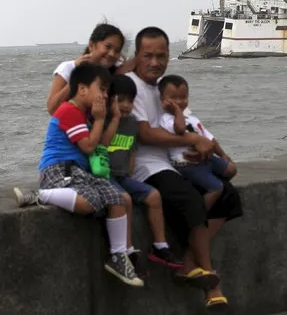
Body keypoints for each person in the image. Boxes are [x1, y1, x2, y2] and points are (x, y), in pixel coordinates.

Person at [125, 26, 243, 311]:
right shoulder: (132, 86)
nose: (155, 62)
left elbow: (192, 123)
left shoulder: (164, 86)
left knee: (228, 196)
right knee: (190, 200)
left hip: (173, 161)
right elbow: (146, 134)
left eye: (161, 56)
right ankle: (212, 287)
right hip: (146, 165)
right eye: (148, 56)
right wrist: (192, 140)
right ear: (137, 56)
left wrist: (212, 151)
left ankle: (187, 263)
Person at [13, 63, 144, 287]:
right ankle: (38, 195)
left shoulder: (83, 114)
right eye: (101, 89)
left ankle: (119, 256)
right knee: (90, 202)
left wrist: (107, 118)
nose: (104, 95)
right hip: (58, 169)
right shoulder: (69, 111)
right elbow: (89, 147)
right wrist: (101, 119)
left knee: (118, 198)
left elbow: (101, 143)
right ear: (82, 89)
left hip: (77, 171)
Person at [99, 74, 183, 277]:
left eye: (130, 100)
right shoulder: (103, 120)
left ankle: (160, 245)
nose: (126, 106)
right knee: (124, 199)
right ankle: (127, 252)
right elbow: (102, 144)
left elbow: (131, 150)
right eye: (120, 100)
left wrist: (130, 169)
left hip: (123, 176)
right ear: (110, 99)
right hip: (105, 176)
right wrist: (115, 118)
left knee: (153, 196)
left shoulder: (133, 124)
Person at [157, 74, 237, 208]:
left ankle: (208, 181)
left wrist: (223, 155)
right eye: (173, 98)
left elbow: (209, 138)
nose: (179, 102)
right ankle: (201, 213)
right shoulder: (166, 119)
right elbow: (180, 129)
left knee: (231, 169)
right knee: (216, 188)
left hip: (206, 159)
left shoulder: (192, 119)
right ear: (162, 99)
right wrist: (176, 111)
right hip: (187, 164)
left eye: (183, 98)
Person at [46, 22, 135, 115]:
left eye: (117, 51)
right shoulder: (69, 68)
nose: (112, 53)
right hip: (71, 127)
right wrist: (78, 74)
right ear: (91, 45)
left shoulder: (112, 74)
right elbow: (52, 109)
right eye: (108, 47)